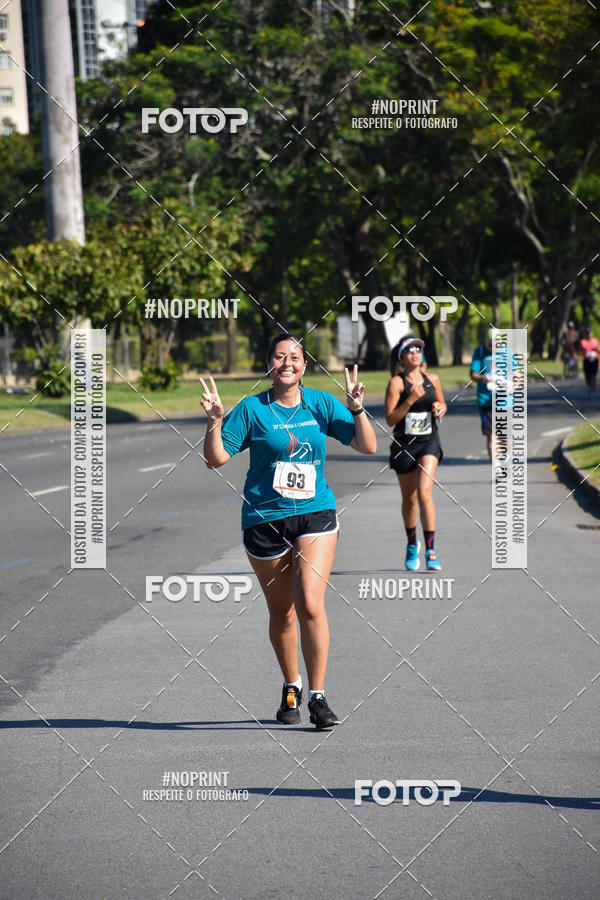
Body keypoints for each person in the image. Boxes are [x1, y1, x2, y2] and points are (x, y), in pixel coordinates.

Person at [200, 334, 377, 729]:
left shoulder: (322, 403)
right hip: (264, 518)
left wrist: (358, 409)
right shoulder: (251, 409)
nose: (287, 362)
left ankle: (318, 697)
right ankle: (291, 685)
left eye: (295, 356)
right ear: (269, 364)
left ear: (304, 365)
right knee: (282, 614)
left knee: (311, 603)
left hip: (315, 513)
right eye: (279, 356)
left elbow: (367, 445)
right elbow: (215, 460)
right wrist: (214, 423)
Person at [385, 336, 447, 572]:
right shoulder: (397, 384)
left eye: (418, 349)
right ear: (401, 357)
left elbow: (442, 403)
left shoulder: (433, 379)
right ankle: (412, 544)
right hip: (404, 446)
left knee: (424, 492)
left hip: (429, 443)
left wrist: (440, 408)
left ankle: (431, 551)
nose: (415, 353)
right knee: (409, 499)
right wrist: (410, 399)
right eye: (409, 350)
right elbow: (391, 419)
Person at [580, 326, 599, 394]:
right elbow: (580, 351)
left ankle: (592, 388)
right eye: (587, 333)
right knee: (587, 377)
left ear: (592, 333)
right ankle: (589, 385)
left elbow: (599, 349)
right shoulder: (583, 341)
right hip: (586, 360)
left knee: (593, 375)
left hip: (594, 360)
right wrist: (584, 352)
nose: (589, 334)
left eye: (590, 333)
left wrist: (596, 349)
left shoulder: (595, 341)